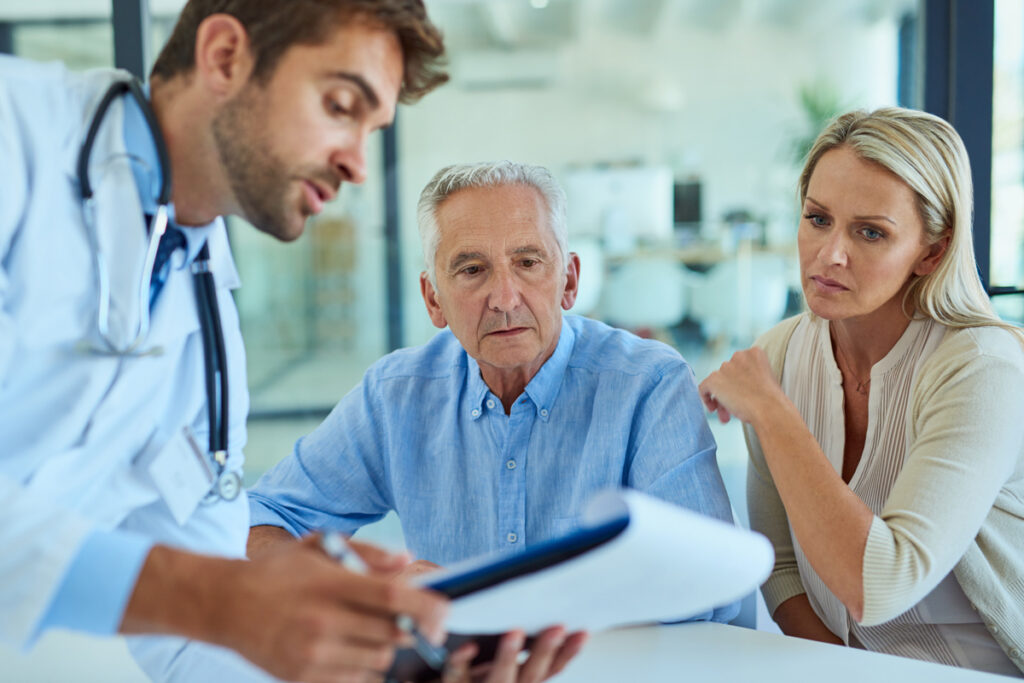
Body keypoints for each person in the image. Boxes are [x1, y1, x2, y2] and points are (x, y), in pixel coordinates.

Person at [0, 2, 455, 682]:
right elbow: (209, 600)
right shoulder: (17, 133)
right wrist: (219, 598)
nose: (359, 164)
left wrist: (367, 659)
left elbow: (194, 646)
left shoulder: (208, 340)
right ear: (223, 57)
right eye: (340, 105)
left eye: (374, 129)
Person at [246, 161, 739, 652]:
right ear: (432, 299)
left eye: (528, 262)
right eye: (472, 269)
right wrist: (360, 587)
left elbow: (710, 591)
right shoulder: (396, 394)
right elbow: (260, 516)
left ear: (569, 281)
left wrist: (535, 611)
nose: (504, 298)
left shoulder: (649, 384)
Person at [699, 107, 1024, 676]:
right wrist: (845, 671)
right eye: (817, 219)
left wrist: (773, 414)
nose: (831, 255)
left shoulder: (982, 370)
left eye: (871, 232)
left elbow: (881, 585)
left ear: (932, 252)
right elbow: (778, 567)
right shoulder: (778, 354)